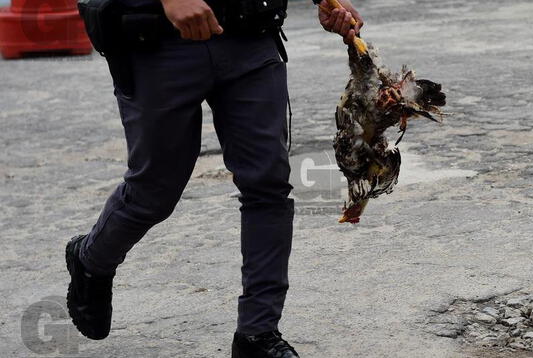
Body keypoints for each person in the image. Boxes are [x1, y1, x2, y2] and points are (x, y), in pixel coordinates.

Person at [64, 0, 363, 357]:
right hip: (156, 39)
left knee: (268, 183)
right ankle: (91, 259)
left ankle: (257, 333)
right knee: (153, 191)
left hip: (250, 30)